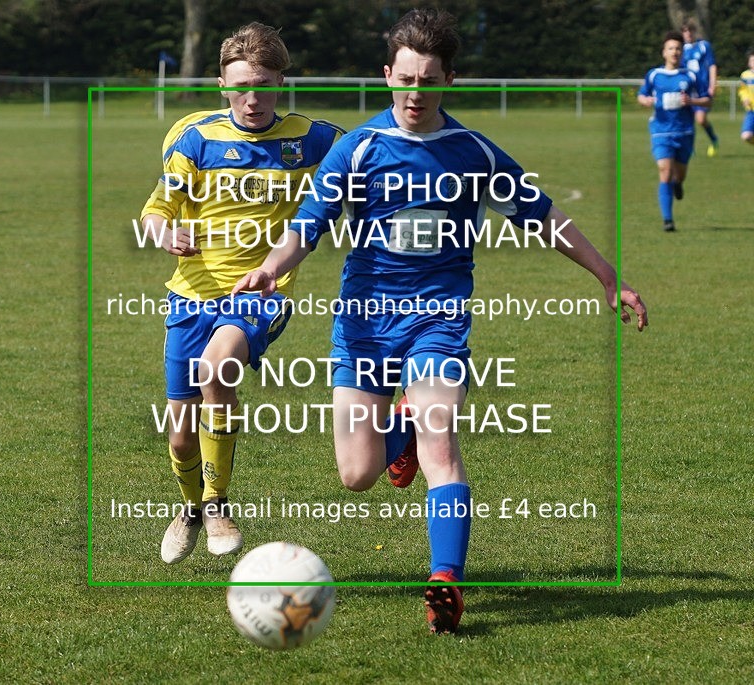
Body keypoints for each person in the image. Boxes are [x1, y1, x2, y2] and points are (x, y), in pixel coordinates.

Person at [234, 9, 648, 633]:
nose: (414, 93)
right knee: (357, 474)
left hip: (439, 320)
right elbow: (306, 228)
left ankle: (445, 581)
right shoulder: (359, 148)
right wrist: (269, 269)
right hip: (365, 324)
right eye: (404, 79)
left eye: (428, 80)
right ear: (387, 76)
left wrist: (607, 275)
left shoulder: (471, 151)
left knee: (441, 446)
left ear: (447, 79)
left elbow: (542, 215)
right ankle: (393, 430)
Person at [139, 23, 343, 564]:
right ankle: (191, 509)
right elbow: (156, 209)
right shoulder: (197, 139)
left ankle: (218, 503)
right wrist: (165, 233)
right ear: (222, 86)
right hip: (188, 298)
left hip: (262, 292)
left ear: (282, 82)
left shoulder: (313, 139)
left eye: (266, 84)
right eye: (242, 86)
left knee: (217, 367)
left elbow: (369, 158)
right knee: (181, 438)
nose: (253, 99)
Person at [638, 30, 710, 232]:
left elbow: (707, 99)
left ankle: (678, 183)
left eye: (678, 48)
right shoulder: (654, 75)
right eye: (671, 48)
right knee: (665, 171)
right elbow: (641, 96)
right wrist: (646, 101)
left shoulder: (690, 76)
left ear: (682, 52)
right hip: (661, 131)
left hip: (685, 132)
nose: (675, 52)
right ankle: (668, 220)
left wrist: (692, 101)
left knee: (680, 174)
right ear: (664, 52)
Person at [681, 20, 720, 156]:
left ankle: (714, 139)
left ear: (694, 31)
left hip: (702, 89)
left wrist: (712, 83)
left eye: (690, 30)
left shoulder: (704, 46)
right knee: (688, 120)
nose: (688, 33)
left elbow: (712, 65)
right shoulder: (681, 50)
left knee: (701, 119)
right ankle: (690, 149)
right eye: (685, 31)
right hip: (688, 90)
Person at [739, 49, 754, 145]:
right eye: (752, 61)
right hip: (751, 110)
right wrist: (744, 99)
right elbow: (742, 90)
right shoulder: (745, 75)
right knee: (746, 136)